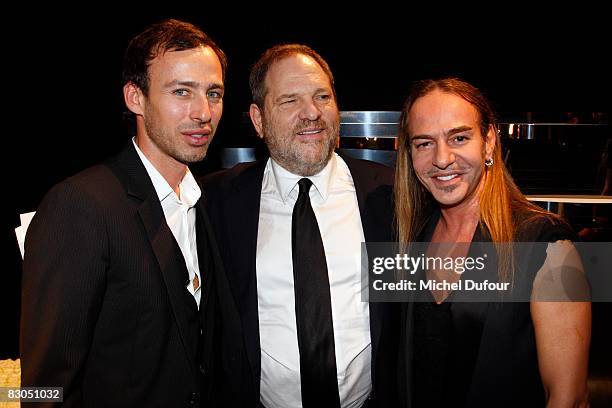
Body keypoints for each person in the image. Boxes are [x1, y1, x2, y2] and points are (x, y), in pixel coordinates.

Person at [20, 19, 247, 407]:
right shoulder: (80, 205)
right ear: (134, 98)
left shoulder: (204, 200)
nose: (202, 112)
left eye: (214, 93)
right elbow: (43, 387)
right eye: (181, 92)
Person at [203, 44, 400, 408]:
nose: (312, 113)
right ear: (258, 120)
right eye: (290, 101)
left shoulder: (389, 196)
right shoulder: (217, 202)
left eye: (322, 96)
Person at [394, 78, 591, 407]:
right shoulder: (415, 236)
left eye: (459, 137)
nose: (442, 159)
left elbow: (569, 398)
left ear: (488, 142)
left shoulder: (549, 246)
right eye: (424, 143)